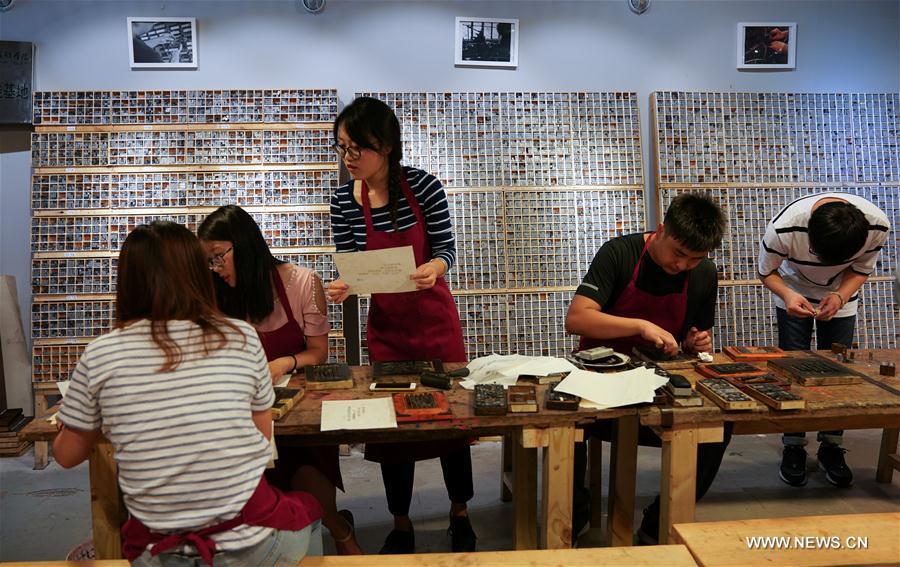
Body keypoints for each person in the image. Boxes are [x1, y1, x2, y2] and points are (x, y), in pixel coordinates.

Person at [52, 221, 322, 566]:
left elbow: (67, 455)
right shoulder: (239, 336)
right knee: (310, 508)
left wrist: (73, 425)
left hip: (157, 551)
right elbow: (260, 436)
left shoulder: (102, 353)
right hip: (250, 544)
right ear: (195, 273)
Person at [326, 96, 477, 554]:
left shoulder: (423, 186)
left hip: (433, 317)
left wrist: (436, 267)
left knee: (451, 421)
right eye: (342, 148)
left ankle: (460, 511)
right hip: (388, 325)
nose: (349, 159)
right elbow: (355, 263)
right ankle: (401, 520)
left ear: (387, 145)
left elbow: (446, 248)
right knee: (393, 426)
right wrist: (345, 285)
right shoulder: (342, 201)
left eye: (358, 149)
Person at [565, 193, 731, 544]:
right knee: (564, 419)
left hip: (658, 379)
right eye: (678, 253)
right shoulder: (620, 253)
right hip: (601, 376)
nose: (683, 265)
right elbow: (577, 319)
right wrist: (638, 325)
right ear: (660, 230)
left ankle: (657, 522)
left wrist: (696, 343)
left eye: (695, 258)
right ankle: (573, 514)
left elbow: (696, 337)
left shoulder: (703, 272)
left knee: (721, 420)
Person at [198, 205, 362, 555]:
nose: (214, 268)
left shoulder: (303, 282)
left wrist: (282, 364)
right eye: (208, 261)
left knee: (308, 477)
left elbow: (318, 352)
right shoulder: (217, 292)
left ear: (242, 245)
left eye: (218, 257)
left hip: (299, 404)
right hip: (247, 412)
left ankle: (338, 529)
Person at [758, 192, 890, 488]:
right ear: (811, 240)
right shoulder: (783, 229)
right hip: (792, 292)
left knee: (839, 370)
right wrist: (790, 295)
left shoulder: (877, 225)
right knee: (793, 368)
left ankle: (832, 446)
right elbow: (766, 272)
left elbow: (860, 269)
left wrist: (840, 295)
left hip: (842, 295)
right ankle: (793, 444)